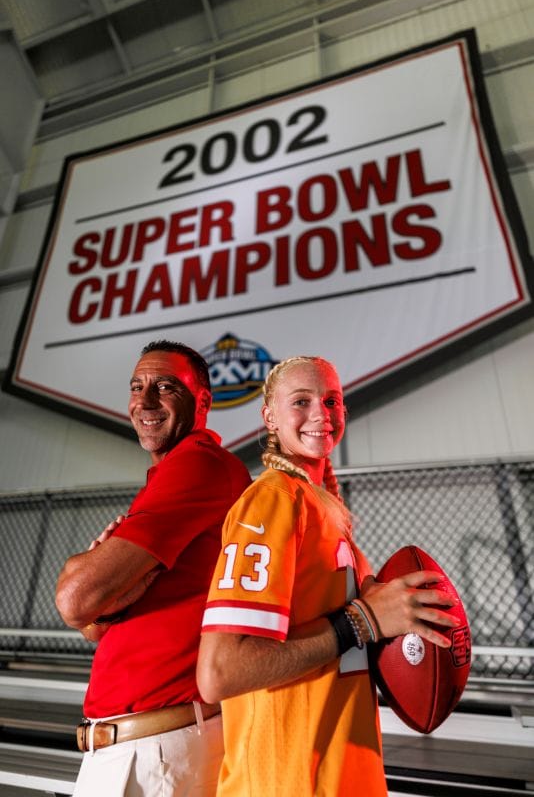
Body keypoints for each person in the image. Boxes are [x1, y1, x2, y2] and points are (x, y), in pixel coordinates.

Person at [197, 356, 460, 796]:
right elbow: (220, 671)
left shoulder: (328, 509)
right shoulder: (272, 500)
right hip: (285, 780)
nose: (321, 413)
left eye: (332, 401)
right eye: (301, 401)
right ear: (270, 417)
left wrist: (394, 623)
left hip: (342, 774)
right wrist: (360, 621)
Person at [55, 340, 251, 797]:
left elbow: (74, 600)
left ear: (203, 401)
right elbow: (93, 623)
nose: (144, 402)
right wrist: (100, 596)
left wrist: (81, 570)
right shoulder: (170, 475)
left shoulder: (200, 465)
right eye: (136, 386)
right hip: (142, 747)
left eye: (165, 387)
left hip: (157, 752)